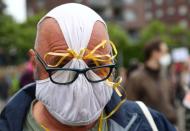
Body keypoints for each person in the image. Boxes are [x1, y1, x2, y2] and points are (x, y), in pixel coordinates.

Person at [0, 3, 176, 131]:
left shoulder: (150, 124)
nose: (80, 85)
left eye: (96, 64)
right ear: (34, 64)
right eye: (61, 64)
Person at [126, 39, 177, 124]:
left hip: (169, 125)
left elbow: (171, 102)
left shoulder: (165, 75)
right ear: (155, 53)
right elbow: (131, 107)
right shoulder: (136, 78)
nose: (167, 55)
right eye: (165, 52)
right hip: (149, 126)